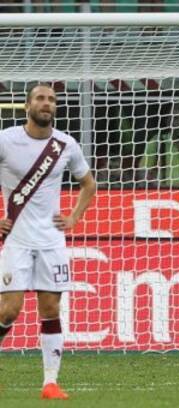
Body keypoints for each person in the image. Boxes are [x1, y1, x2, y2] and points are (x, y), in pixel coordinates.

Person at [0, 83, 96, 400]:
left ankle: (50, 383)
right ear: (27, 106)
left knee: (51, 308)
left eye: (52, 100)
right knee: (8, 311)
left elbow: (88, 184)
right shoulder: (6, 140)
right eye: (40, 98)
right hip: (17, 240)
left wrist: (74, 217)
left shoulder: (66, 144)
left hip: (51, 241)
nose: (47, 103)